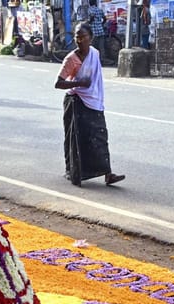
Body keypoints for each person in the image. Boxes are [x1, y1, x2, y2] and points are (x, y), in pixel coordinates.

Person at [55, 22, 124, 188]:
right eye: (77, 37)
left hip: (92, 101)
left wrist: (87, 86)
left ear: (90, 38)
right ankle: (72, 170)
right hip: (76, 102)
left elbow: (96, 80)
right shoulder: (71, 59)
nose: (80, 40)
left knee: (100, 136)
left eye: (83, 37)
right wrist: (78, 83)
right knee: (75, 138)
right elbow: (58, 83)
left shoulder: (94, 53)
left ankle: (108, 174)